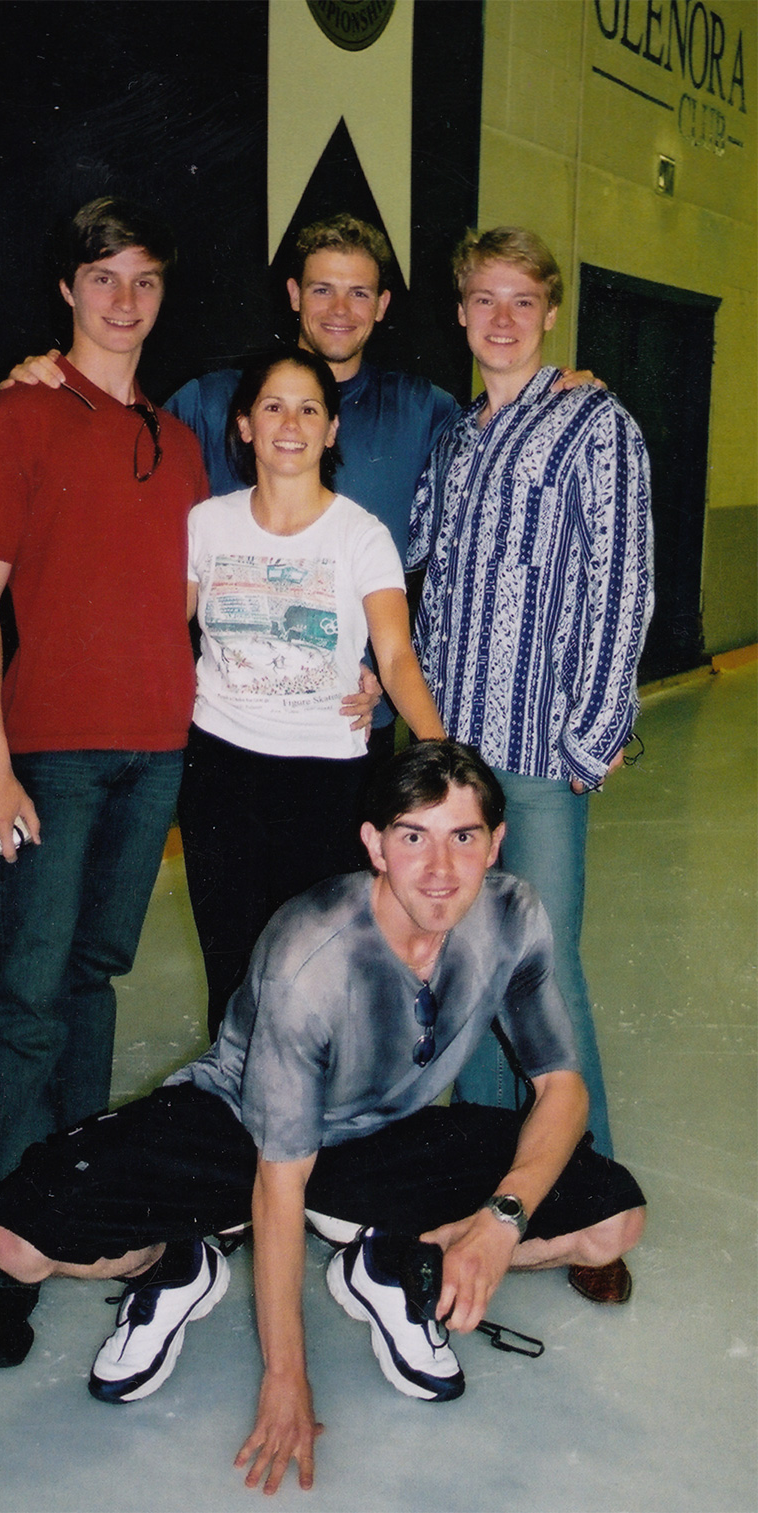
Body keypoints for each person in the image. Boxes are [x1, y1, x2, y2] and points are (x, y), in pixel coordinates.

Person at [0, 740, 646, 1495]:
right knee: (16, 1242)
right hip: (240, 1128)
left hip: (382, 1137)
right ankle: (172, 1260)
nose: (440, 867)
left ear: (495, 844)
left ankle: (392, 1261)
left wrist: (502, 1219)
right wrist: (286, 1377)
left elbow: (563, 1088)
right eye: (413, 836)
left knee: (612, 1224)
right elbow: (279, 1179)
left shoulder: (512, 914)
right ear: (375, 846)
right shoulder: (312, 953)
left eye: (463, 836)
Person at [5, 212, 600, 759]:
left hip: (355, 718)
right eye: (322, 289)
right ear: (293, 295)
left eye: (358, 292)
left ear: (382, 305)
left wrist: (562, 391)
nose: (340, 309)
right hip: (230, 719)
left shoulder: (425, 411)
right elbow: (116, 448)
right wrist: (54, 379)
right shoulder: (215, 402)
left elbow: (500, 443)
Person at [0, 197, 209, 1370]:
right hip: (50, 755)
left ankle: (76, 1210)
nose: (124, 299)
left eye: (143, 279)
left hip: (156, 750)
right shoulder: (16, 414)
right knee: (27, 999)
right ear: (67, 288)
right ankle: (2, 1260)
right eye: (103, 277)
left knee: (94, 980)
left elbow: (198, 600)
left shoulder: (179, 439)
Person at [407, 229, 653, 1210]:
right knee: (464, 961)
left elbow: (622, 583)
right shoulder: (455, 437)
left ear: (550, 312)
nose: (501, 318)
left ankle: (587, 1193)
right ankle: (488, 1182)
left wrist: (592, 734)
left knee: (541, 969)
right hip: (451, 760)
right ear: (461, 313)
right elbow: (421, 571)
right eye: (484, 299)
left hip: (539, 754)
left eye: (521, 300)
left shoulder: (596, 424)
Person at [180, 347, 444, 1038]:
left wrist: (443, 760)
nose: (290, 424)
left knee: (323, 977)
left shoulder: (362, 535)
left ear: (331, 430)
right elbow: (159, 631)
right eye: (273, 407)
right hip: (221, 775)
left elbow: (395, 657)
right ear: (245, 425)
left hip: (328, 782)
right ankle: (243, 1100)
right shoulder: (206, 524)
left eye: (308, 409)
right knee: (234, 975)